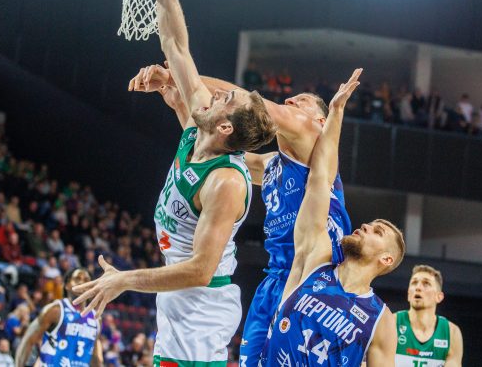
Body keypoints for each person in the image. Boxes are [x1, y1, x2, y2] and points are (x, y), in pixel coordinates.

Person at [72, 0, 276, 367]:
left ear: (226, 127)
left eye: (227, 99)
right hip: (177, 294)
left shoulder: (226, 181)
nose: (217, 91)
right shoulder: (198, 124)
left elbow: (201, 269)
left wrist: (125, 280)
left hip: (201, 304)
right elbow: (175, 45)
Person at [130, 62, 352, 366]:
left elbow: (242, 102)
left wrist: (177, 77)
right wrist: (180, 100)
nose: (290, 102)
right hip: (277, 276)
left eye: (301, 101)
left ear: (321, 120)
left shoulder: (312, 133)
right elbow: (209, 143)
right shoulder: (272, 164)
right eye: (291, 99)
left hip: (317, 277)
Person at [259, 69, 406, 366]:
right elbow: (320, 178)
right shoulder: (316, 259)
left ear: (387, 260)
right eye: (371, 225)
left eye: (377, 232)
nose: (366, 225)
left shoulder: (381, 320)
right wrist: (337, 111)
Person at [15, 268, 103, 367]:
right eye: (77, 278)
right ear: (66, 285)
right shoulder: (55, 310)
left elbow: (95, 356)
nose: (82, 282)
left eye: (86, 280)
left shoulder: (96, 318)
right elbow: (28, 341)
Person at [395, 265, 463, 367]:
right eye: (414, 283)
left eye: (426, 283)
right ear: (408, 294)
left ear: (439, 297)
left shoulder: (451, 332)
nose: (418, 287)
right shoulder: (391, 323)